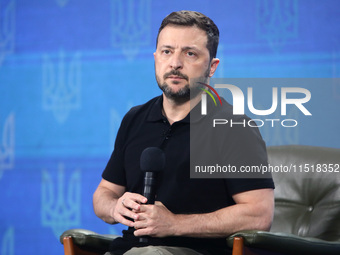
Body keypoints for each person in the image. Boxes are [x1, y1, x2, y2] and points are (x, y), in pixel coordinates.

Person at [93, 10, 275, 255]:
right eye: (167, 51)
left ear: (212, 67)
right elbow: (103, 194)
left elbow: (259, 215)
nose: (175, 63)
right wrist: (115, 207)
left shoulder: (234, 127)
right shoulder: (135, 118)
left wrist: (174, 224)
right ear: (156, 57)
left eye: (190, 53)